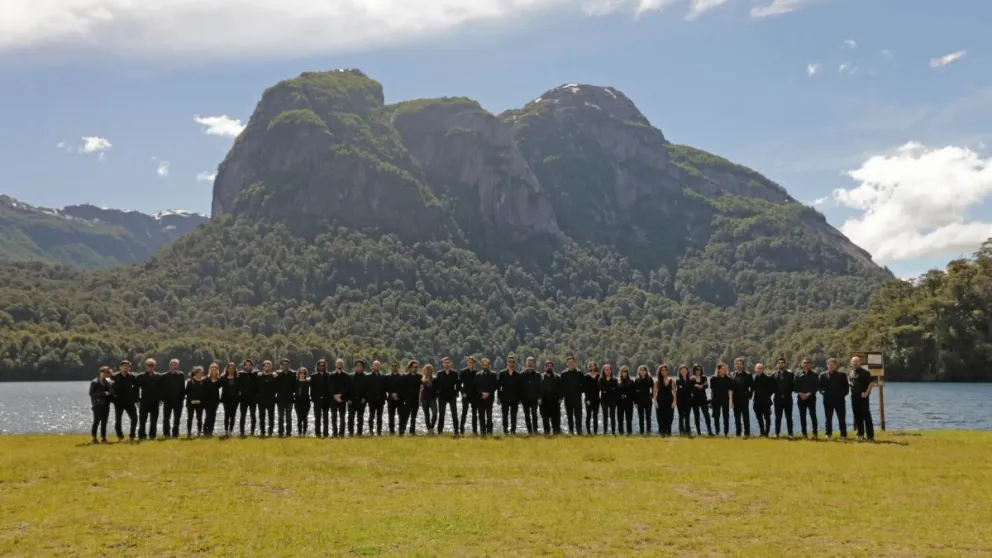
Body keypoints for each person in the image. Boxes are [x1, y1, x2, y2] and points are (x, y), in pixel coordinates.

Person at [820, 358, 849, 439]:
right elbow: (820, 388)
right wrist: (824, 393)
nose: (831, 366)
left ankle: (843, 435)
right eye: (830, 365)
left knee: (841, 418)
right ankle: (828, 434)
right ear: (827, 365)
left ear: (836, 365)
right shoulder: (822, 375)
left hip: (840, 401)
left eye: (833, 365)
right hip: (827, 401)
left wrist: (841, 395)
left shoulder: (842, 375)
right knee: (828, 419)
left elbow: (846, 388)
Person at [849, 356, 876, 441]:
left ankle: (870, 436)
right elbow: (851, 383)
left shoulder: (865, 372)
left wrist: (867, 393)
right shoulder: (851, 372)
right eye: (854, 361)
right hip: (854, 397)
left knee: (866, 417)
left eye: (857, 361)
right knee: (857, 417)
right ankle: (860, 434)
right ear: (851, 363)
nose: (855, 363)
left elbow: (872, 383)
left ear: (860, 363)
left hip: (863, 398)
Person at [112, 360, 138, 442]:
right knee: (118, 420)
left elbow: (136, 388)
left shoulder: (132, 377)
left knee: (134, 418)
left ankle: (132, 435)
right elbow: (110, 389)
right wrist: (113, 399)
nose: (125, 367)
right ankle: (120, 436)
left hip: (130, 401)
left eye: (127, 366)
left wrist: (136, 400)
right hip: (118, 402)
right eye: (124, 366)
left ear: (130, 368)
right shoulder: (114, 376)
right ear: (120, 367)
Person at [135, 358, 161, 440]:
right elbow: (135, 389)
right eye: (149, 365)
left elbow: (163, 388)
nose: (150, 367)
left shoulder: (158, 376)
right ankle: (142, 436)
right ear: (145, 366)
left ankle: (152, 436)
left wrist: (161, 399)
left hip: (155, 402)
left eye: (152, 365)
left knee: (154, 421)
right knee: (142, 421)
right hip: (144, 402)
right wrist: (137, 401)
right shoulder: (140, 376)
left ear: (154, 366)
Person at [434, 357, 460, 435]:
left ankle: (456, 431)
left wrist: (456, 393)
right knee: (441, 414)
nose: (446, 364)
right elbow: (436, 385)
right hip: (442, 397)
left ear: (450, 363)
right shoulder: (439, 373)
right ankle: (440, 431)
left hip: (452, 396)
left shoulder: (455, 373)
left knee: (454, 414)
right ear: (443, 364)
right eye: (445, 362)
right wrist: (438, 393)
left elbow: (458, 384)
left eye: (448, 362)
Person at [794, 358, 819, 439]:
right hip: (801, 398)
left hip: (811, 398)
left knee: (813, 416)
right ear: (802, 364)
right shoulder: (797, 374)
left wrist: (808, 394)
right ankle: (804, 434)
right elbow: (795, 386)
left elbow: (816, 387)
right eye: (804, 363)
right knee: (802, 416)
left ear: (810, 364)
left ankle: (815, 434)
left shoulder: (815, 375)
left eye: (808, 362)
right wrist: (800, 394)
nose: (806, 364)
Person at [161, 359, 186, 439]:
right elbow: (161, 388)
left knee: (177, 419)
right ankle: (166, 434)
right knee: (166, 419)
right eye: (173, 364)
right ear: (170, 366)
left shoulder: (181, 375)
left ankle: (175, 435)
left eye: (176, 365)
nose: (175, 366)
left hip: (178, 401)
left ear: (178, 366)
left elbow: (183, 388)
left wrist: (182, 398)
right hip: (167, 401)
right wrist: (162, 398)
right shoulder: (164, 376)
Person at [89, 366, 113, 444]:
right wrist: (103, 393)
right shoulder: (94, 382)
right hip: (97, 405)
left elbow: (111, 392)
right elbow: (91, 394)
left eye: (107, 372)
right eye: (103, 372)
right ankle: (94, 438)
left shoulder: (108, 382)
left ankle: (103, 438)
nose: (105, 374)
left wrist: (110, 384)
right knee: (96, 421)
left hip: (106, 405)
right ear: (100, 372)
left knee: (104, 422)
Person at [560, 357, 584, 435]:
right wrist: (563, 396)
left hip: (577, 398)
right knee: (569, 415)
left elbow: (583, 385)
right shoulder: (563, 374)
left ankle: (579, 430)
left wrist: (579, 392)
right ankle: (571, 431)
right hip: (567, 398)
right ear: (567, 364)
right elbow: (562, 386)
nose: (571, 364)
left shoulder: (580, 373)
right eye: (569, 363)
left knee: (578, 415)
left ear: (575, 363)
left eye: (572, 362)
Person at [773, 357, 795, 438]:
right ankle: (777, 433)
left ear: (784, 364)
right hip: (777, 399)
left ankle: (790, 434)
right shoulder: (774, 375)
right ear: (776, 365)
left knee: (789, 417)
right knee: (777, 418)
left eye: (782, 362)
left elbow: (793, 387)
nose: (780, 364)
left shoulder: (790, 375)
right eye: (779, 363)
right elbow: (772, 388)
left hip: (788, 399)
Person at [539, 360, 562, 436]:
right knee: (545, 420)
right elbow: (538, 389)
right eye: (547, 366)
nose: (549, 367)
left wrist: (560, 398)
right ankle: (547, 434)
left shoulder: (557, 377)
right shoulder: (540, 377)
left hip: (555, 403)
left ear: (552, 367)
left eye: (550, 366)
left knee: (555, 421)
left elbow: (561, 389)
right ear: (545, 367)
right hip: (544, 403)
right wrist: (539, 398)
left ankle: (556, 434)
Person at [476, 358, 498, 436]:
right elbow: (476, 387)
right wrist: (482, 393)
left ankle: (489, 432)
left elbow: (495, 386)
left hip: (490, 398)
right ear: (481, 365)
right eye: (483, 364)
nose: (485, 366)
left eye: (486, 364)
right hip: (480, 398)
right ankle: (482, 432)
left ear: (489, 365)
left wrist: (488, 393)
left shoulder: (493, 374)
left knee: (489, 416)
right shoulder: (477, 375)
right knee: (481, 416)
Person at [498, 357, 521, 435]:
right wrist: (499, 398)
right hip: (505, 398)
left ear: (514, 363)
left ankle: (513, 430)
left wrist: (520, 399)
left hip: (515, 398)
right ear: (507, 362)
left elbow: (520, 387)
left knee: (513, 415)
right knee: (505, 415)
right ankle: (505, 430)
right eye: (509, 361)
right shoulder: (502, 373)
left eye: (512, 362)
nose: (511, 363)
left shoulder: (518, 375)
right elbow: (499, 387)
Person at [731, 359, 753, 437]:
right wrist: (731, 400)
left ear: (743, 365)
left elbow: (752, 387)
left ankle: (747, 433)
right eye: (737, 364)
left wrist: (749, 395)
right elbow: (731, 388)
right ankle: (738, 433)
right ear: (735, 365)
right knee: (736, 417)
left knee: (745, 417)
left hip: (744, 399)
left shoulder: (748, 375)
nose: (739, 365)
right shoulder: (732, 374)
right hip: (735, 399)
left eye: (740, 364)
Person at [709, 363, 733, 437]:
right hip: (716, 400)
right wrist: (711, 402)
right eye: (722, 369)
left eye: (725, 369)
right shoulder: (713, 379)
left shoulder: (729, 379)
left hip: (725, 400)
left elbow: (730, 390)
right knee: (716, 417)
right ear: (718, 370)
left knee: (726, 416)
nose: (724, 370)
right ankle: (717, 432)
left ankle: (726, 433)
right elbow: (712, 391)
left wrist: (731, 401)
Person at [236, 359, 258, 437]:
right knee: (243, 415)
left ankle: (252, 432)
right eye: (246, 365)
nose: (248, 366)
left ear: (252, 366)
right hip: (243, 398)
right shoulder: (240, 375)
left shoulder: (256, 374)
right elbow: (237, 386)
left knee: (253, 415)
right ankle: (242, 432)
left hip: (253, 398)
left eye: (250, 365)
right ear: (244, 366)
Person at [399, 360, 421, 436]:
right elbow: (402, 388)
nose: (415, 368)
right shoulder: (405, 377)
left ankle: (412, 431)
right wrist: (403, 398)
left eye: (416, 367)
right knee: (405, 416)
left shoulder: (420, 377)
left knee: (414, 416)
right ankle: (402, 430)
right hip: (407, 399)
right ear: (410, 367)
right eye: (414, 367)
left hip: (416, 400)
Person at [752, 363, 774, 437]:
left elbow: (771, 389)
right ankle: (762, 433)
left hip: (766, 402)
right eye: (758, 368)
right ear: (755, 369)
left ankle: (766, 433)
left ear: (763, 369)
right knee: (759, 418)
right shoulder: (754, 378)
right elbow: (752, 389)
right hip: (756, 402)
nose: (759, 370)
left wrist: (767, 396)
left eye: (761, 368)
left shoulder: (768, 378)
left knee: (767, 418)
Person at [520, 357, 541, 435]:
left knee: (534, 414)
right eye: (528, 363)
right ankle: (529, 431)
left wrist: (539, 397)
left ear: (533, 364)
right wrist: (520, 398)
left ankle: (535, 431)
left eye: (531, 363)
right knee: (527, 415)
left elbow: (540, 387)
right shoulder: (522, 374)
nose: (530, 364)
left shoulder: (538, 375)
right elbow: (520, 387)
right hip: (525, 399)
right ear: (526, 363)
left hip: (534, 399)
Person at [329, 359, 350, 438]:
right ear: (336, 364)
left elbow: (347, 387)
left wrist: (341, 395)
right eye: (338, 363)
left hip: (342, 399)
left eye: (341, 363)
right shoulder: (331, 375)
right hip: (333, 399)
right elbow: (330, 387)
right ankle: (334, 433)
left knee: (342, 417)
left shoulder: (346, 376)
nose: (340, 365)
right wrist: (335, 395)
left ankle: (341, 434)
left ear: (343, 365)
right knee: (334, 417)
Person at [690, 365, 713, 436]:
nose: (698, 371)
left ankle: (709, 431)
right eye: (697, 370)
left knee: (707, 415)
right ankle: (698, 432)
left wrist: (699, 386)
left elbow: (706, 386)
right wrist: (700, 386)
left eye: (700, 370)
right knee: (697, 416)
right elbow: (691, 389)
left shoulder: (704, 377)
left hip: (703, 399)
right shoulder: (691, 378)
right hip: (695, 400)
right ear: (694, 370)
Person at [256, 360, 277, 438]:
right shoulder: (258, 376)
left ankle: (270, 433)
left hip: (271, 400)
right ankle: (262, 432)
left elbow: (277, 388)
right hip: (261, 400)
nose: (267, 367)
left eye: (269, 366)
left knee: (271, 417)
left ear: (271, 367)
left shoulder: (274, 376)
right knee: (262, 417)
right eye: (266, 366)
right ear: (263, 367)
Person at [276, 358, 296, 437]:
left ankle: (288, 433)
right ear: (281, 366)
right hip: (280, 399)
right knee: (280, 417)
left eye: (287, 365)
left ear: (289, 365)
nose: (285, 366)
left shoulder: (293, 374)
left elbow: (295, 386)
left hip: (290, 399)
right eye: (284, 365)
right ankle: (280, 433)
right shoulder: (278, 374)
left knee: (289, 417)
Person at [653, 365, 675, 436]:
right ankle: (662, 434)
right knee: (660, 419)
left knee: (669, 418)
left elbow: (675, 392)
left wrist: (674, 402)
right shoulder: (657, 381)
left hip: (669, 402)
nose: (664, 371)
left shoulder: (671, 381)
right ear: (660, 371)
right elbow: (654, 392)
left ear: (667, 371)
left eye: (665, 370)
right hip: (660, 402)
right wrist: (655, 402)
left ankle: (669, 434)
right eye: (662, 370)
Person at [310, 360, 330, 438]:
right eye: (320, 366)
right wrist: (313, 398)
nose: (321, 367)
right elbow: (312, 389)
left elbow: (330, 389)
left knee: (326, 418)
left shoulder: (328, 376)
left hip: (326, 400)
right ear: (317, 366)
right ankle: (317, 433)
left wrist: (329, 399)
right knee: (317, 418)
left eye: (323, 366)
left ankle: (326, 434)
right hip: (317, 400)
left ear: (325, 367)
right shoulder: (313, 376)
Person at [348, 359, 368, 437]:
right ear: (355, 367)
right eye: (357, 366)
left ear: (363, 367)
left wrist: (365, 398)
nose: (358, 367)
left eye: (360, 366)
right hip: (351, 401)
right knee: (350, 418)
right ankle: (351, 433)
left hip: (361, 401)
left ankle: (359, 433)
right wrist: (348, 399)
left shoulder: (366, 377)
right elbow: (347, 388)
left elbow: (367, 389)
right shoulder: (350, 376)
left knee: (360, 418)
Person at [366, 360, 386, 436]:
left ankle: (379, 432)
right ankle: (371, 431)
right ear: (372, 366)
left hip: (381, 400)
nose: (377, 366)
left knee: (380, 417)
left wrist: (384, 398)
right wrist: (369, 399)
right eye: (375, 365)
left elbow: (384, 388)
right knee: (371, 416)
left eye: (378, 365)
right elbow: (366, 389)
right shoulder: (368, 376)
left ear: (379, 367)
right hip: (372, 400)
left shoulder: (382, 377)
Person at [459, 356, 479, 436]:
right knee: (464, 413)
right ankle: (461, 431)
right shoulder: (462, 372)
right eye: (469, 362)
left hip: (475, 395)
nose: (470, 363)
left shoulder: (477, 372)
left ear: (474, 363)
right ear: (467, 362)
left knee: (474, 414)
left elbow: (478, 384)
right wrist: (462, 393)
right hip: (465, 395)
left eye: (472, 362)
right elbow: (459, 384)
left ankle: (475, 431)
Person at [185, 366, 206, 438]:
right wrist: (192, 400)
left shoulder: (203, 382)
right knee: (190, 418)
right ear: (196, 373)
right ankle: (189, 432)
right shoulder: (190, 382)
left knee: (199, 418)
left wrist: (200, 400)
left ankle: (199, 432)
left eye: (202, 372)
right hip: (190, 403)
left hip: (200, 403)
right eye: (200, 372)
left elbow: (204, 393)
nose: (201, 374)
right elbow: (187, 392)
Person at [202, 363, 222, 437]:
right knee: (208, 416)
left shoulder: (219, 380)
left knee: (213, 416)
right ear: (209, 370)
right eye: (212, 369)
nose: (213, 371)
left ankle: (210, 431)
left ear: (217, 371)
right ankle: (205, 430)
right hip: (207, 401)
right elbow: (202, 391)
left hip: (215, 401)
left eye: (215, 370)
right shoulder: (205, 379)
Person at [633, 365, 654, 435]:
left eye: (643, 370)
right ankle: (641, 432)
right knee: (641, 417)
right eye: (641, 370)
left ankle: (648, 432)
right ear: (639, 371)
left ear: (646, 371)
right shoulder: (637, 380)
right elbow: (635, 392)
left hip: (648, 401)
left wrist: (651, 396)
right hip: (639, 401)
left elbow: (654, 389)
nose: (642, 371)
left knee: (648, 417)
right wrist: (635, 402)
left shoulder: (650, 379)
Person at [220, 362, 239, 437]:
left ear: (234, 369)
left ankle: (231, 431)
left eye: (232, 368)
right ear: (227, 369)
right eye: (229, 368)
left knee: (233, 416)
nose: (231, 369)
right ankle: (226, 431)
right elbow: (216, 385)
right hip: (226, 399)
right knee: (226, 415)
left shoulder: (237, 378)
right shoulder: (223, 378)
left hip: (235, 399)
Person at [599, 364, 618, 435]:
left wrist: (607, 390)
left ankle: (613, 432)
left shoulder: (615, 379)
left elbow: (616, 389)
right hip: (604, 400)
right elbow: (601, 389)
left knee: (613, 416)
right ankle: (605, 431)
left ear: (611, 370)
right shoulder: (601, 379)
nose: (608, 371)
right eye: (606, 370)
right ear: (603, 371)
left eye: (609, 369)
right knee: (605, 416)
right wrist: (610, 389)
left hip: (613, 400)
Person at [385, 362, 404, 435]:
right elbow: (385, 387)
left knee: (401, 416)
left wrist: (397, 394)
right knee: (391, 416)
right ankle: (391, 431)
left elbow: (403, 388)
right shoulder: (387, 377)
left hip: (400, 399)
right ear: (391, 367)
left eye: (396, 366)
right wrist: (391, 393)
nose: (394, 367)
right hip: (390, 399)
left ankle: (401, 431)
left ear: (398, 367)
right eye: (393, 366)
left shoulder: (402, 377)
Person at [420, 364, 438, 434]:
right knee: (426, 415)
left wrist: (436, 396)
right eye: (426, 369)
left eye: (429, 369)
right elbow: (420, 391)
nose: (428, 371)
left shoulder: (435, 379)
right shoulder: (422, 380)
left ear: (431, 370)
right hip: (424, 399)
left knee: (435, 414)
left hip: (433, 399)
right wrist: (419, 400)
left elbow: (437, 389)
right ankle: (429, 429)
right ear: (424, 370)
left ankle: (431, 427)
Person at [583, 362, 601, 435]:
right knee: (588, 416)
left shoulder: (599, 376)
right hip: (588, 399)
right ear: (589, 367)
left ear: (596, 366)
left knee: (595, 416)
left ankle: (595, 432)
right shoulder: (586, 376)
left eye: (594, 365)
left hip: (597, 399)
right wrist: (587, 399)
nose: (592, 367)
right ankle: (588, 432)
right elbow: (585, 388)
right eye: (591, 366)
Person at [616, 366, 635, 436]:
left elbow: (633, 393)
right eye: (623, 371)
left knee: (629, 419)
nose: (624, 373)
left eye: (625, 371)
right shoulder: (617, 382)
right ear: (620, 372)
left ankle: (629, 433)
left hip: (629, 403)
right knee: (620, 419)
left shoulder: (631, 382)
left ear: (627, 373)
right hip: (620, 403)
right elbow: (616, 393)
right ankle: (621, 433)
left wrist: (630, 398)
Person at [674, 365, 693, 436]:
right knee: (681, 416)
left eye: (685, 370)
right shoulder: (678, 381)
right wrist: (686, 388)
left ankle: (688, 431)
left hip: (688, 401)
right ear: (680, 372)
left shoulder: (691, 380)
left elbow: (690, 390)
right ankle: (681, 431)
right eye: (682, 370)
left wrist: (684, 388)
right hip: (680, 401)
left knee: (687, 416)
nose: (684, 371)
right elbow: (680, 389)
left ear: (687, 371)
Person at [295, 368, 311, 437]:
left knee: (305, 418)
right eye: (300, 373)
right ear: (298, 374)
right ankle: (299, 433)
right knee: (299, 418)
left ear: (305, 374)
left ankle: (304, 433)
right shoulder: (296, 382)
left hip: (306, 402)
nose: (302, 374)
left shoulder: (308, 382)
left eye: (303, 373)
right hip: (298, 402)